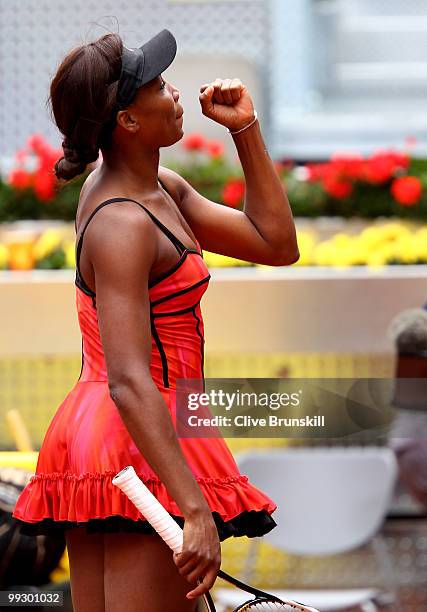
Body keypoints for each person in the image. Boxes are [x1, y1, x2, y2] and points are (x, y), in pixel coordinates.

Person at [12, 29, 299, 611]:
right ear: (129, 122)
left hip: (122, 426)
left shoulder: (158, 187)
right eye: (160, 86)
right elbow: (128, 377)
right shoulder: (123, 222)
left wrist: (245, 129)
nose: (176, 95)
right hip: (133, 431)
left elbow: (276, 244)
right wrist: (193, 509)